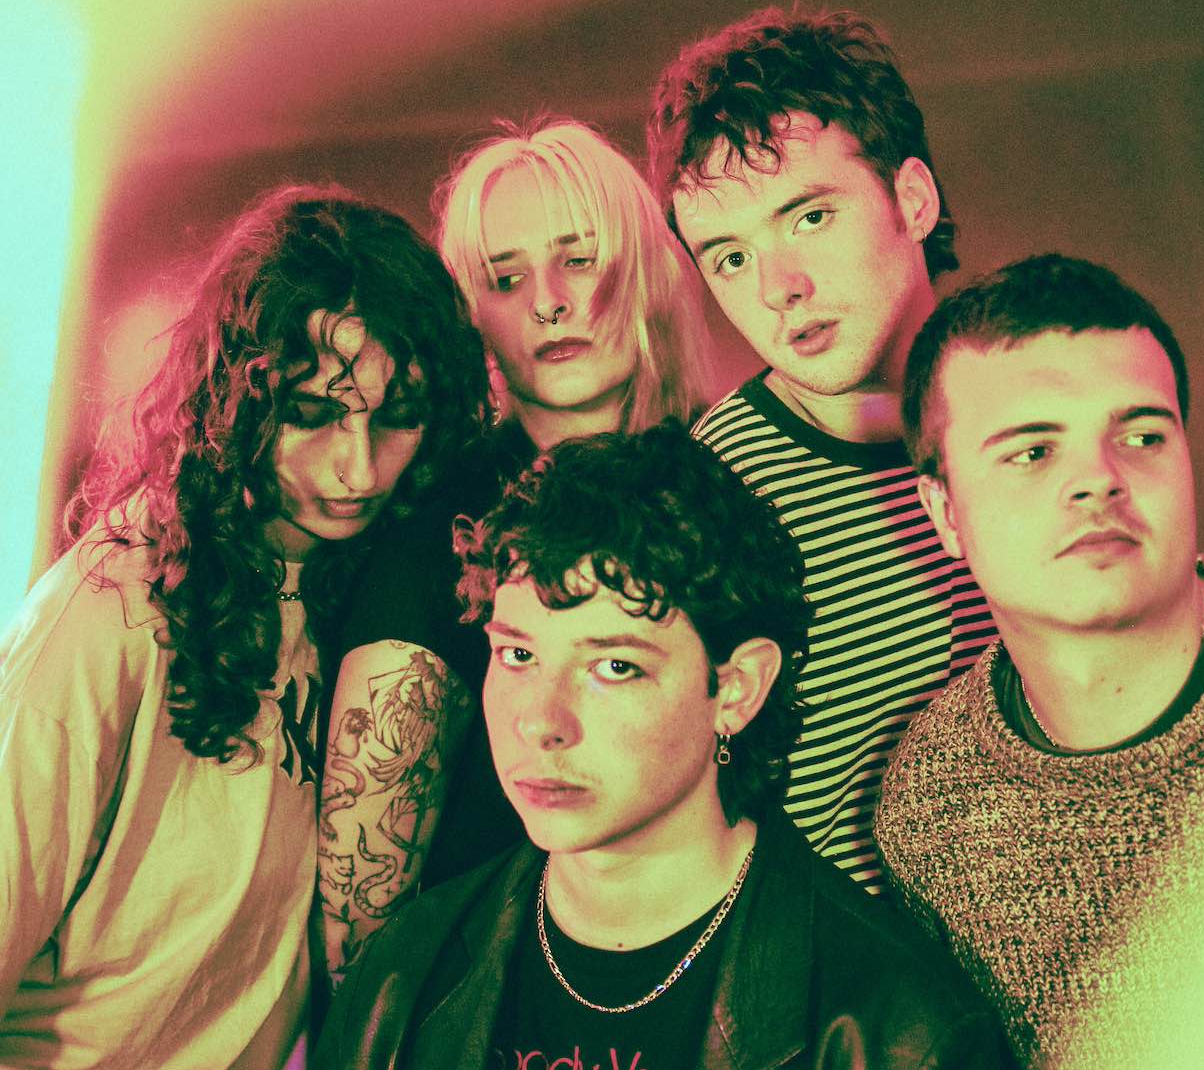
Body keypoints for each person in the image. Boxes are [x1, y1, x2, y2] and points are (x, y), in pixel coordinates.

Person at [316, 428, 1013, 1070]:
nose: (541, 722)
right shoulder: (406, 967)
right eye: (519, 654)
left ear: (736, 688)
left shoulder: (899, 1031)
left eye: (614, 666)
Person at [0, 186, 487, 1069]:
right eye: (313, 413)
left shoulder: (357, 587)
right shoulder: (110, 608)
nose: (358, 467)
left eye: (397, 417)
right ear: (239, 396)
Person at [873, 254, 1204, 1067]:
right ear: (945, 512)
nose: (1099, 479)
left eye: (1141, 436)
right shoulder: (931, 804)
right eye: (1032, 452)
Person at [317, 119, 715, 981]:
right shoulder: (439, 530)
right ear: (472, 314)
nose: (548, 301)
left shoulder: (726, 481)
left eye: (579, 259)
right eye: (505, 278)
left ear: (648, 269)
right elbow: (358, 924)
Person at [645, 7, 993, 890]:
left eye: (808, 217)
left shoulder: (1039, 404)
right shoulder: (710, 493)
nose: (778, 287)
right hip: (847, 971)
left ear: (913, 200)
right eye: (729, 257)